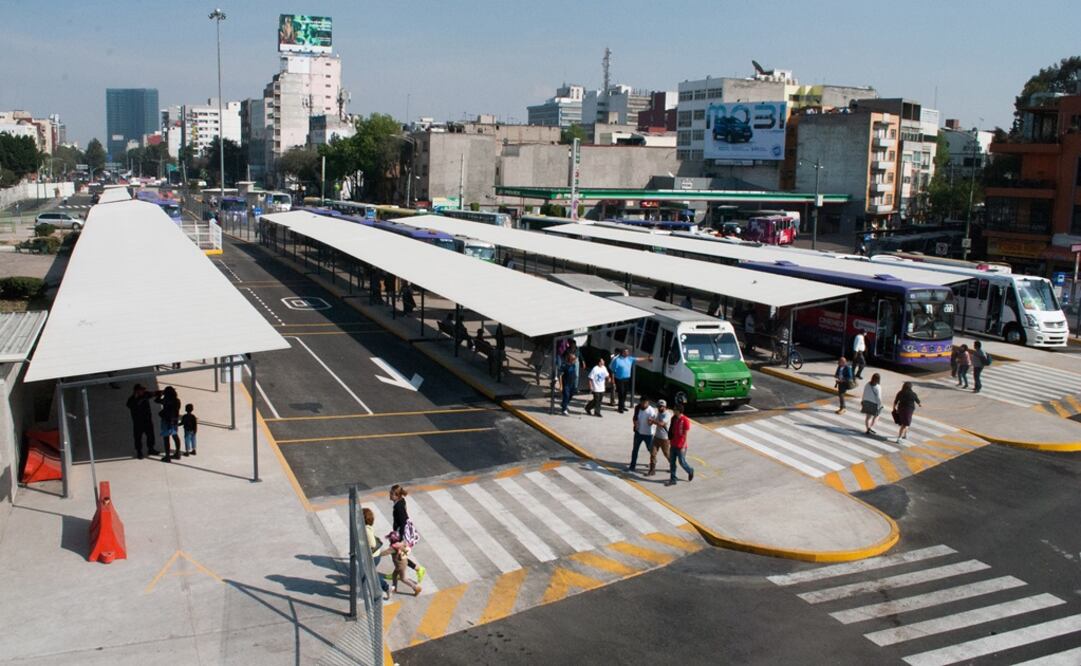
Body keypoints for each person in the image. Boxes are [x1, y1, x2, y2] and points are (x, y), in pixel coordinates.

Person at [390, 484, 426, 583]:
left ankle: (418, 569)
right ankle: (397, 572)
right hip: (401, 532)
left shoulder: (399, 507)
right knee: (399, 555)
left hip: (401, 534)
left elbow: (402, 523)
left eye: (392, 494)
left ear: (397, 495)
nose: (389, 495)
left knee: (399, 555)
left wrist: (401, 540)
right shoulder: (401, 501)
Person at [610, 348, 653, 413]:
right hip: (619, 379)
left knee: (624, 393)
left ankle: (623, 406)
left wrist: (647, 358)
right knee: (621, 393)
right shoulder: (617, 360)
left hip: (627, 379)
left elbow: (638, 359)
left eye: (628, 352)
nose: (628, 353)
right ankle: (620, 408)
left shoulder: (629, 358)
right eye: (626, 352)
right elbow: (612, 371)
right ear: (622, 353)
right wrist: (613, 379)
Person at [125, 384, 160, 459]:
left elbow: (154, 393)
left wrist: (162, 392)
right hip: (138, 422)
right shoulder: (131, 400)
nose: (143, 391)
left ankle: (151, 449)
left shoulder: (146, 394)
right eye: (141, 390)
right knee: (138, 437)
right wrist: (137, 400)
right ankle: (139, 452)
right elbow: (129, 405)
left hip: (147, 420)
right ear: (136, 391)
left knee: (150, 435)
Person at [363, 508, 391, 601]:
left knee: (370, 575)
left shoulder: (366, 529)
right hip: (374, 556)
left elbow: (373, 544)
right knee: (368, 574)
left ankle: (386, 587)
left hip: (373, 557)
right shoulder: (366, 527)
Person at [665, 403, 694, 486]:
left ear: (679, 411)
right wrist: (669, 439)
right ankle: (673, 478)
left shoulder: (685, 420)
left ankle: (690, 470)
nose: (673, 411)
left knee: (682, 462)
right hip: (673, 444)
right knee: (672, 462)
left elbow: (685, 435)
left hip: (681, 446)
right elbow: (671, 430)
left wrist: (683, 446)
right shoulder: (673, 418)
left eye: (675, 410)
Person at [386, 531, 421, 596]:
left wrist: (378, 554)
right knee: (394, 575)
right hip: (402, 564)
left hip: (400, 566)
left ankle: (416, 587)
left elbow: (385, 552)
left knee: (403, 579)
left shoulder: (393, 548)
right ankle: (394, 589)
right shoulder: (401, 544)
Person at [628, 396, 656, 473]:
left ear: (648, 403)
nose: (643, 404)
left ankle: (653, 464)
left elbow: (651, 423)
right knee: (635, 450)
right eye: (642, 402)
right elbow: (634, 418)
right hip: (638, 433)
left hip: (648, 434)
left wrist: (650, 421)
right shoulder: (637, 408)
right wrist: (635, 424)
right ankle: (632, 466)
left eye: (645, 403)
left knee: (650, 450)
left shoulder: (651, 411)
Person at [155, 386, 182, 462]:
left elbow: (156, 400)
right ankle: (177, 453)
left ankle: (167, 457)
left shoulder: (166, 400)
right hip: (174, 421)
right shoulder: (177, 401)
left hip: (166, 421)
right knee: (175, 436)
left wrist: (160, 394)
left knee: (166, 438)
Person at [647, 400, 671, 477]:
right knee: (652, 453)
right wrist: (650, 422)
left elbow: (661, 424)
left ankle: (673, 466)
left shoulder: (667, 415)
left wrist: (652, 421)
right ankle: (652, 470)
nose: (660, 408)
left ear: (665, 407)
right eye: (659, 406)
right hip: (657, 437)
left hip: (665, 438)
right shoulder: (658, 413)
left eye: (662, 406)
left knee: (667, 454)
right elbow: (653, 421)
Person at [558, 351, 579, 415]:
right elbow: (560, 375)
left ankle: (564, 404)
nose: (575, 360)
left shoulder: (573, 365)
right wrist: (561, 385)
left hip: (572, 383)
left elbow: (574, 374)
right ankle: (564, 409)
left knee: (571, 395)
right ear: (570, 359)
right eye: (574, 359)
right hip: (566, 383)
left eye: (575, 359)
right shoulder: (564, 365)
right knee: (566, 395)